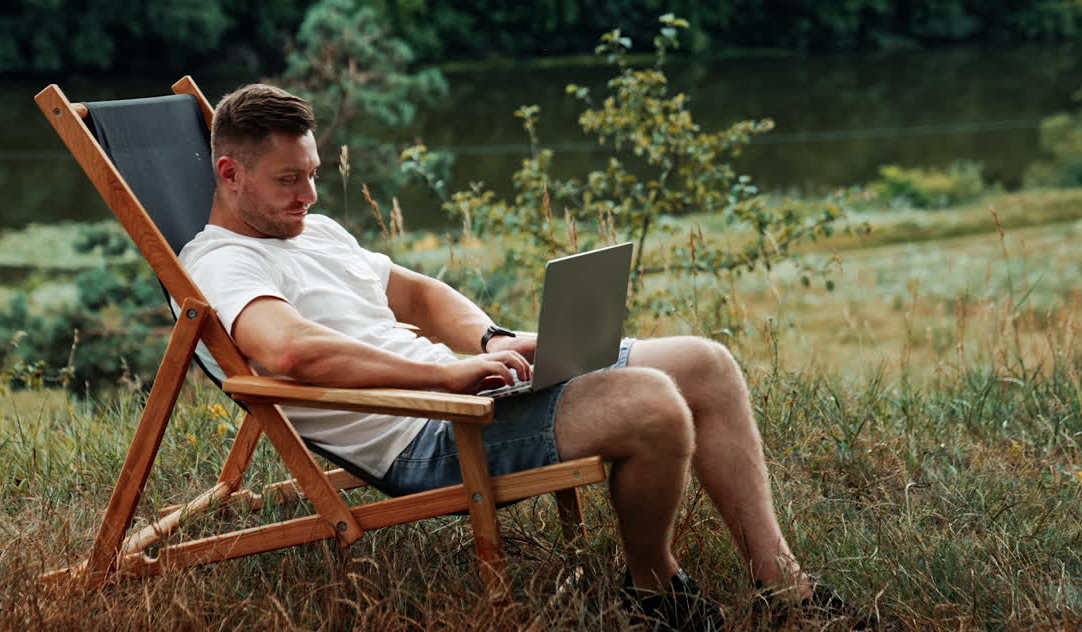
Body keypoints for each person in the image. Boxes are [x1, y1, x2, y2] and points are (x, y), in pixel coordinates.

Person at [181, 84, 868, 630]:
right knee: (652, 403)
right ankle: (651, 586)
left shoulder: (314, 229)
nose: (309, 196)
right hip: (423, 430)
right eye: (287, 181)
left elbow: (416, 294)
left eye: (313, 176)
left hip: (460, 390)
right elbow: (288, 351)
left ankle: (783, 583)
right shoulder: (224, 263)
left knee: (706, 362)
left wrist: (488, 341)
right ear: (230, 173)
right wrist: (441, 373)